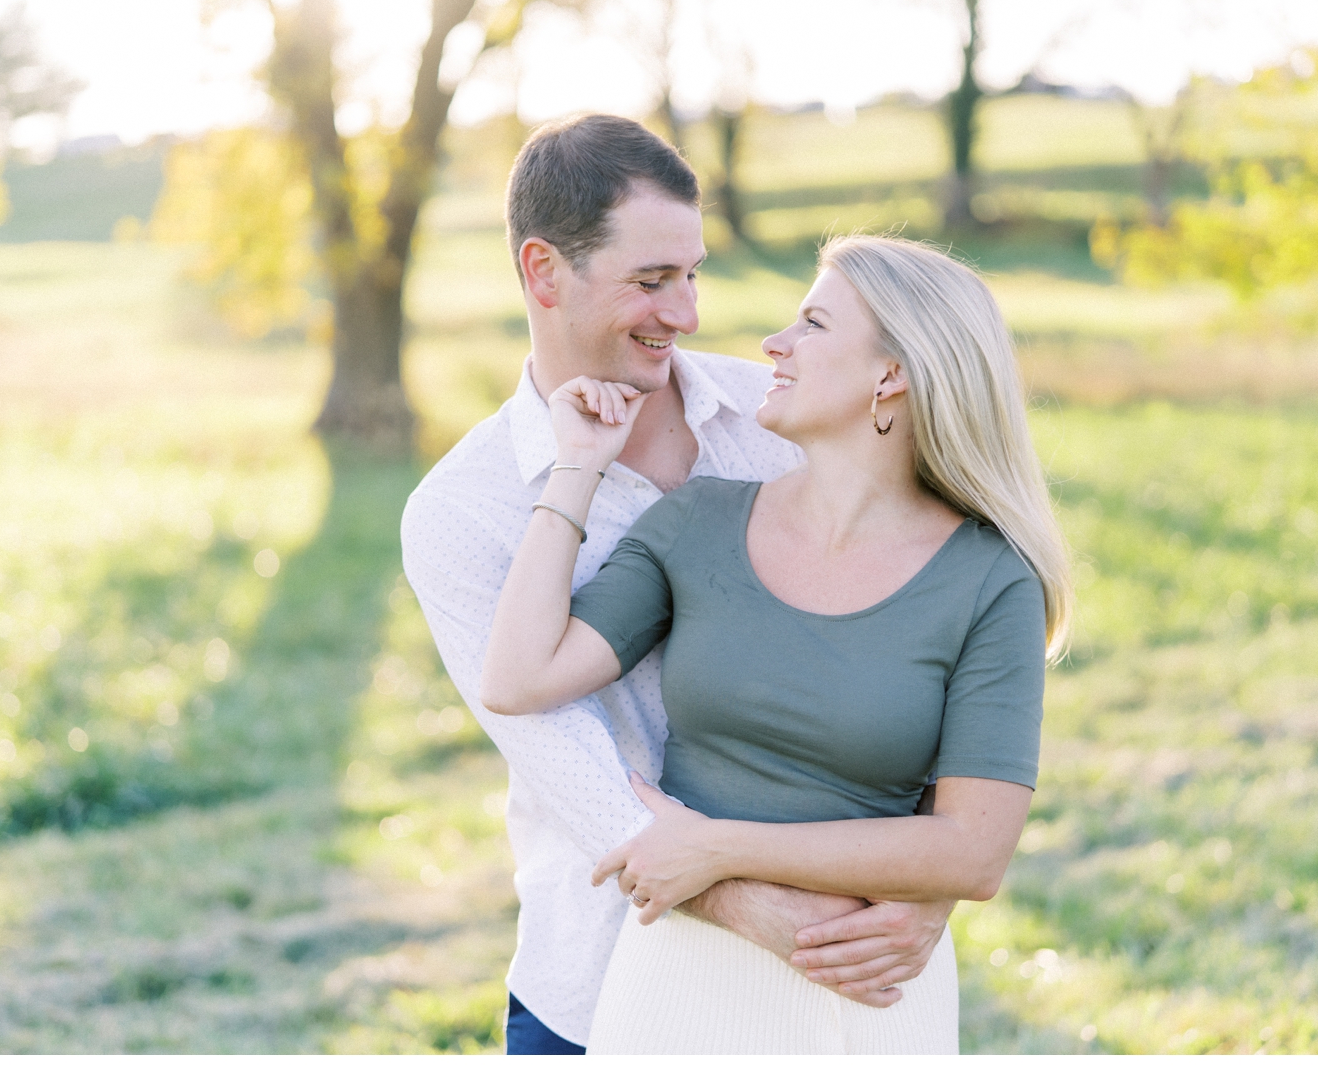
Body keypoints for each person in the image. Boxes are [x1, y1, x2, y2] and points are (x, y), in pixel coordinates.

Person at [400, 115, 955, 1055]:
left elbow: (922, 635)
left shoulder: (778, 418)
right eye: (651, 281)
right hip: (602, 982)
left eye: (691, 273)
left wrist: (927, 886)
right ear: (543, 272)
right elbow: (566, 764)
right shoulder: (463, 509)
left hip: (835, 971)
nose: (687, 313)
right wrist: (768, 914)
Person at [479, 233, 1074, 1054]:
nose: (773, 345)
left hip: (861, 990)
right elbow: (516, 678)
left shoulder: (990, 581)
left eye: (814, 325)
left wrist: (716, 847)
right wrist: (575, 467)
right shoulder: (698, 521)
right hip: (668, 990)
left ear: (891, 373)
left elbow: (973, 853)